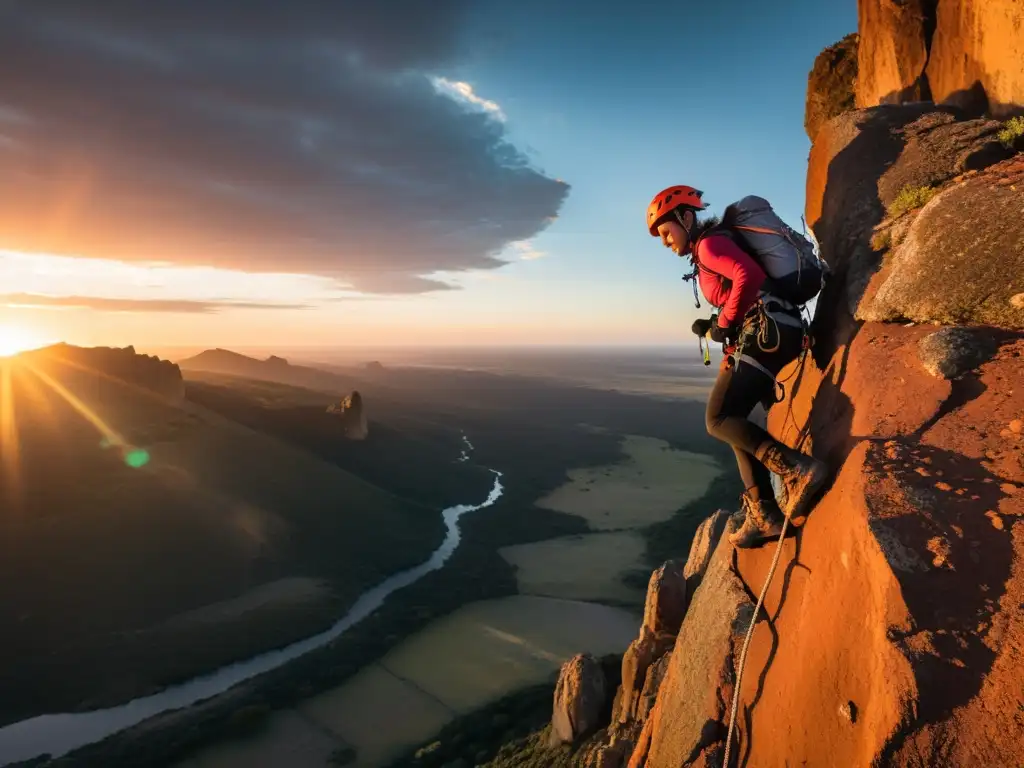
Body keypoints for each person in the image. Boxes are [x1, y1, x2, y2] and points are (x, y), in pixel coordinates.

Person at [646, 185, 829, 548]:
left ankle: (796, 469)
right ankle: (765, 514)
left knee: (717, 419)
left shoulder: (708, 245)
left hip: (766, 334)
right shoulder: (713, 245)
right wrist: (717, 324)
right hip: (778, 329)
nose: (666, 242)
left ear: (685, 217)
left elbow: (748, 275)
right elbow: (741, 290)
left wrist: (726, 322)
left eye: (667, 232)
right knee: (735, 422)